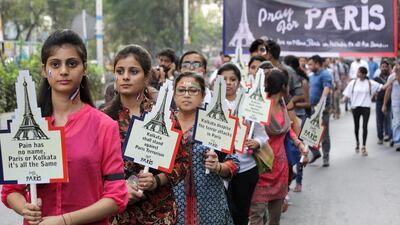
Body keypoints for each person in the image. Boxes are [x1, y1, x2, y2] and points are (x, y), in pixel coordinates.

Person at [1, 29, 128, 225]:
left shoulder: (104, 125)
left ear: (84, 68)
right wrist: (25, 208)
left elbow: (116, 196)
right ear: (44, 70)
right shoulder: (23, 126)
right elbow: (11, 191)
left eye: (72, 63)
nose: (63, 71)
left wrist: (64, 220)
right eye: (55, 64)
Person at [103, 45, 189, 225]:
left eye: (133, 71)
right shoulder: (102, 118)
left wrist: (156, 180)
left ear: (147, 77)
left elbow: (182, 163)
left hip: (159, 213)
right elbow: (90, 169)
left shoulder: (165, 115)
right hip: (116, 213)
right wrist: (119, 188)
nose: (125, 77)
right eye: (120, 71)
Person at [172, 72, 240, 224]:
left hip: (209, 203)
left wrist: (218, 166)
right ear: (174, 95)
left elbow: (234, 163)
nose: (187, 95)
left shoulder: (215, 124)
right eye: (181, 90)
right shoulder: (166, 124)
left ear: (203, 95)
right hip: (171, 203)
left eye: (193, 90)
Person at [249, 69, 306, 225]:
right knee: (256, 217)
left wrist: (299, 143)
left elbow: (288, 130)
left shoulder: (282, 104)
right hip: (262, 167)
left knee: (275, 219)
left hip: (280, 168)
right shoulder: (259, 105)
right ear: (283, 86)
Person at [218, 63, 268, 225]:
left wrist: (257, 143)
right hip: (217, 168)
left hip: (246, 168)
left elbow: (262, 135)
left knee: (241, 213)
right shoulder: (209, 103)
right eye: (224, 79)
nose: (229, 82)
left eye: (233, 79)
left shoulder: (250, 105)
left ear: (239, 82)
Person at [342, 66, 391, 156]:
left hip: (366, 107)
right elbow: (347, 93)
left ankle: (363, 146)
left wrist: (392, 79)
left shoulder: (369, 82)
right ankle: (357, 143)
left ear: (364, 74)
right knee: (356, 126)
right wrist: (343, 99)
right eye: (357, 72)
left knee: (365, 127)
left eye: (359, 72)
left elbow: (382, 87)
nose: (357, 73)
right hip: (355, 107)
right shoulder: (353, 82)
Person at [283, 55, 311, 192]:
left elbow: (307, 102)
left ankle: (299, 181)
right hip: (286, 115)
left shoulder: (302, 81)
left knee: (299, 151)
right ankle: (289, 176)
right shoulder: (282, 84)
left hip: (299, 116)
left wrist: (291, 103)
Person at [307, 55, 332, 167]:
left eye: (311, 64)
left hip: (322, 109)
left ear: (317, 63)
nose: (309, 66)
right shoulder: (311, 76)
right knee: (310, 132)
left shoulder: (325, 74)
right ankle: (316, 152)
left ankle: (326, 156)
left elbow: (326, 88)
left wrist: (321, 105)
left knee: (324, 133)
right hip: (312, 107)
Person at [374, 61, 392, 144]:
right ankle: (380, 137)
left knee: (388, 118)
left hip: (390, 100)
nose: (384, 68)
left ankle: (388, 135)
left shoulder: (391, 77)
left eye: (386, 66)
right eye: (383, 67)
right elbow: (375, 90)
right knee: (379, 119)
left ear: (388, 67)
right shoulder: (377, 78)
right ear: (380, 68)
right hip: (379, 100)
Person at [383, 64, 400, 151]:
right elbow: (387, 90)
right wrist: (384, 104)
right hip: (396, 103)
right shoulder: (391, 77)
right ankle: (398, 142)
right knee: (397, 122)